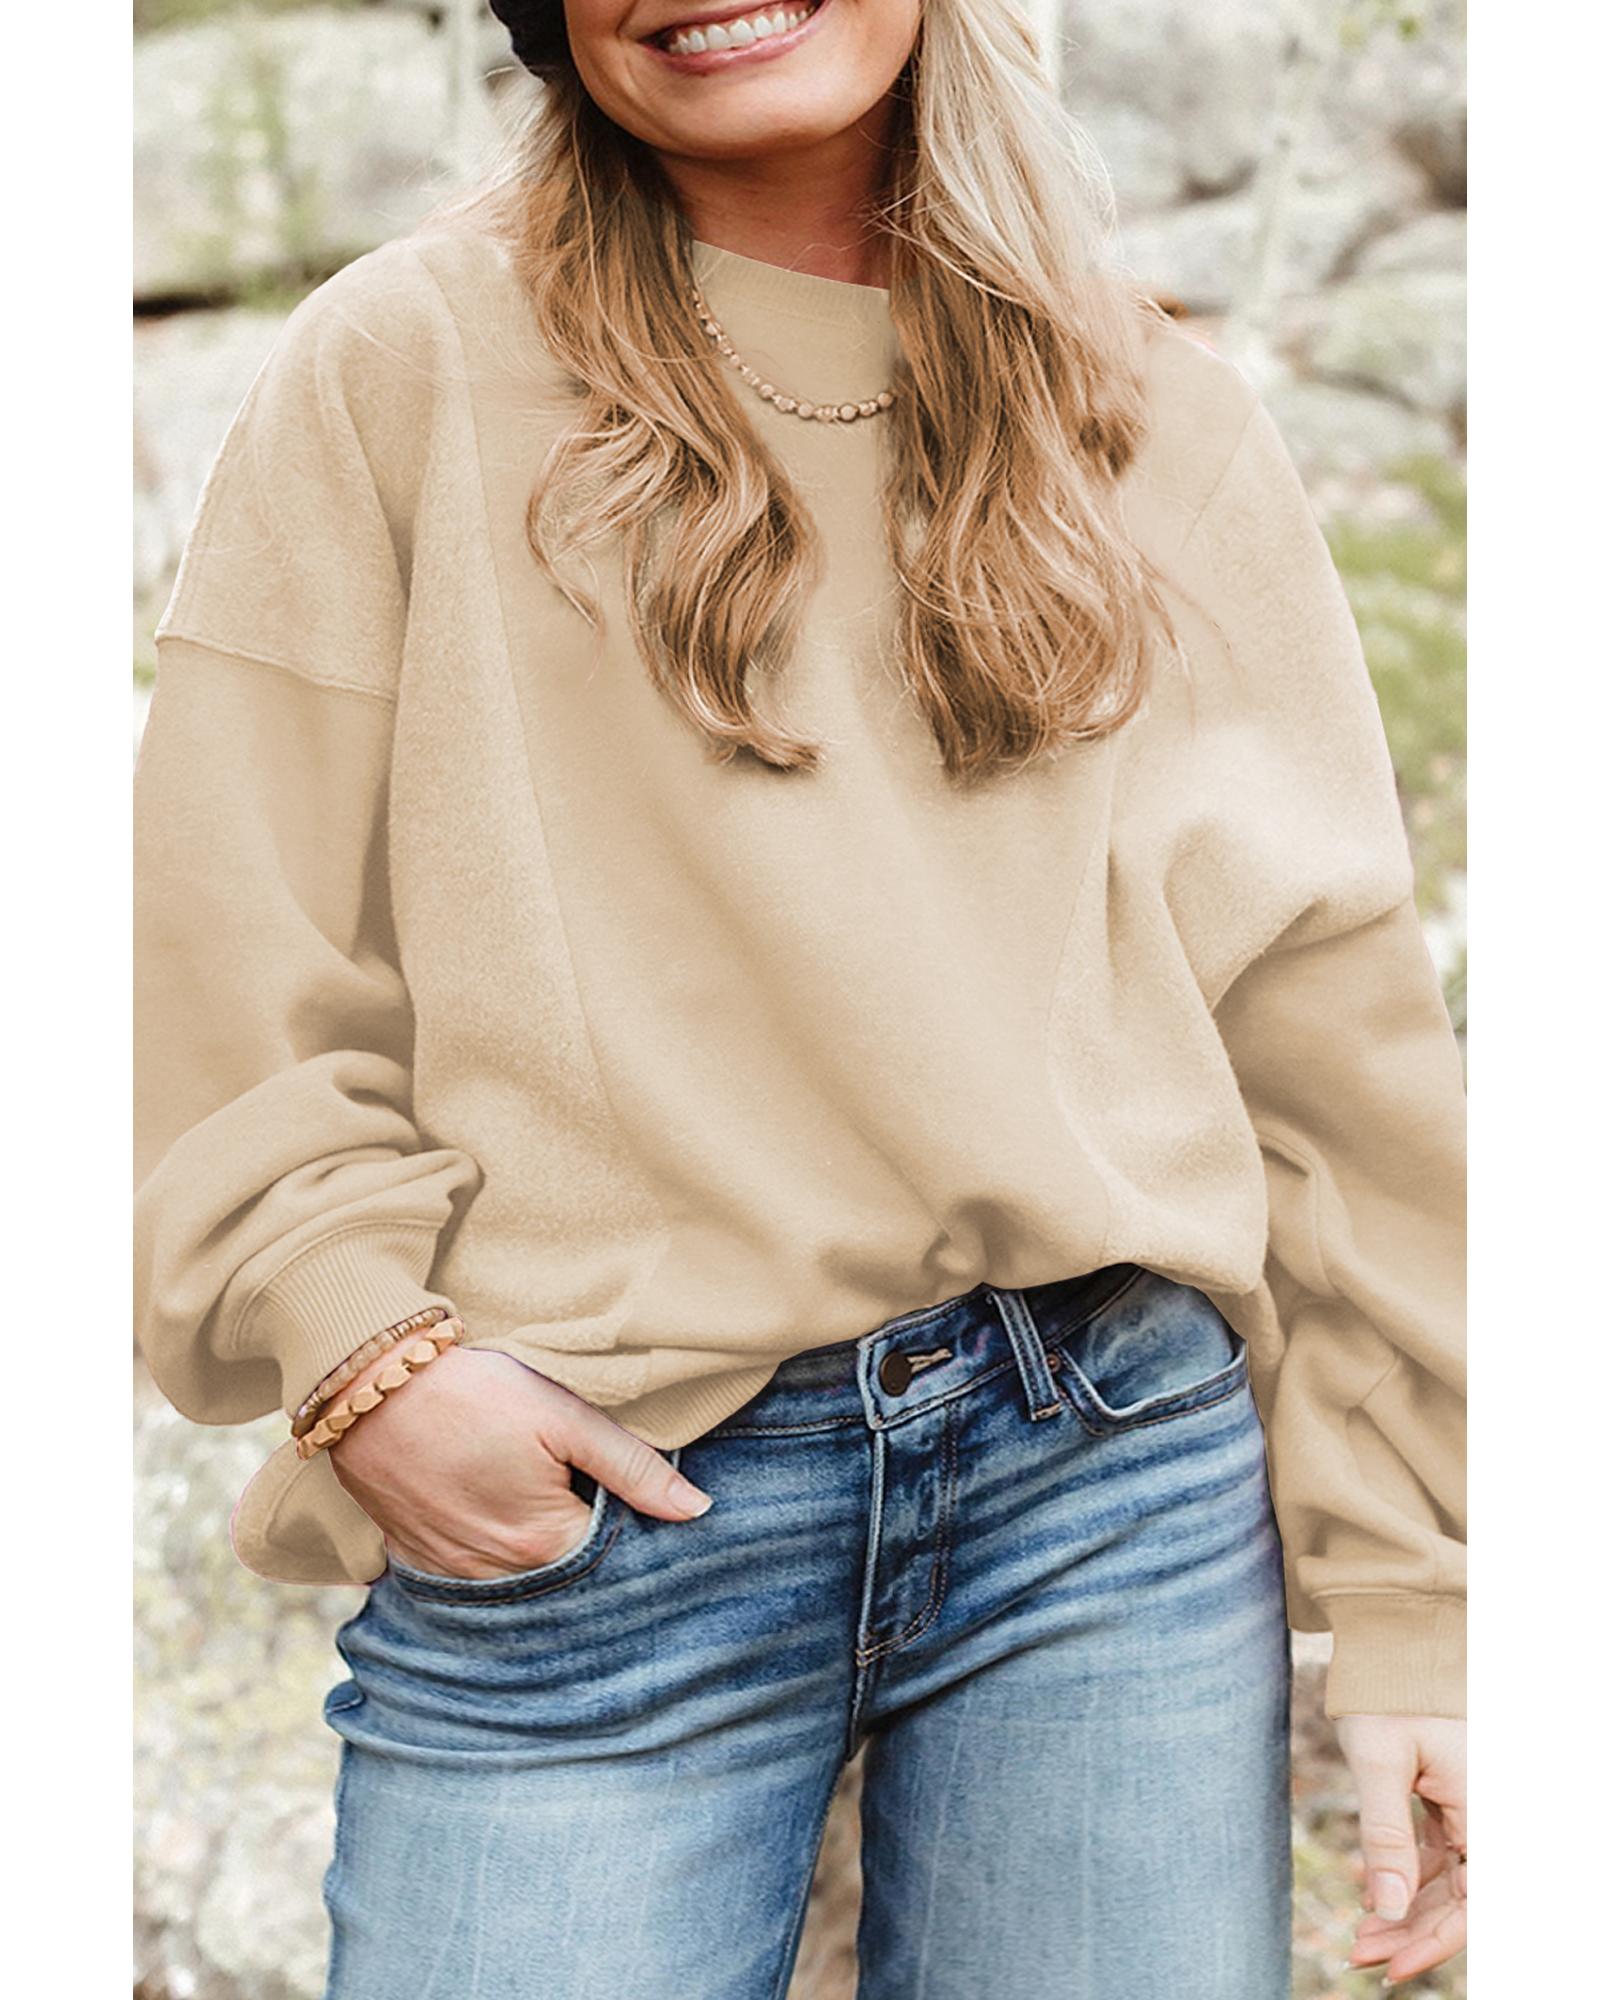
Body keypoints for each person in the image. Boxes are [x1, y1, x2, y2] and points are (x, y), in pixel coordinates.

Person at [132, 2, 1467, 1994]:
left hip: (1106, 1490)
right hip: (594, 1508)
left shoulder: (1156, 419)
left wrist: (1423, 1602)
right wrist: (365, 1354)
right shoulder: (401, 366)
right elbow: (223, 939)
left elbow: (1326, 1042)